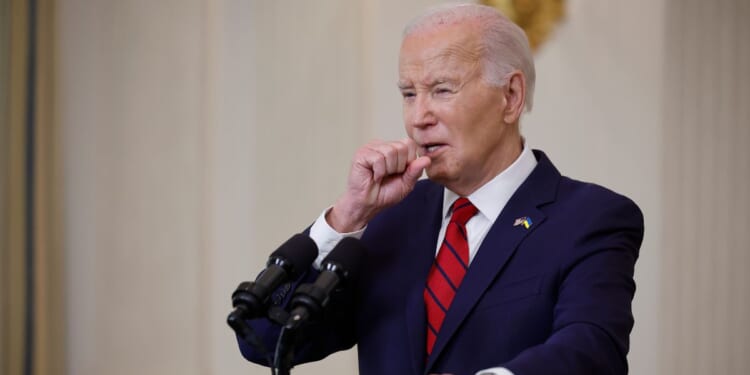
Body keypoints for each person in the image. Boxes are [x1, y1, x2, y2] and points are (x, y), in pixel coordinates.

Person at [237, 4, 644, 375]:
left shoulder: (591, 218)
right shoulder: (390, 219)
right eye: (409, 94)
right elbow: (264, 337)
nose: (419, 118)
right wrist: (348, 216)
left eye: (442, 90)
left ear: (511, 96)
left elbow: (592, 351)